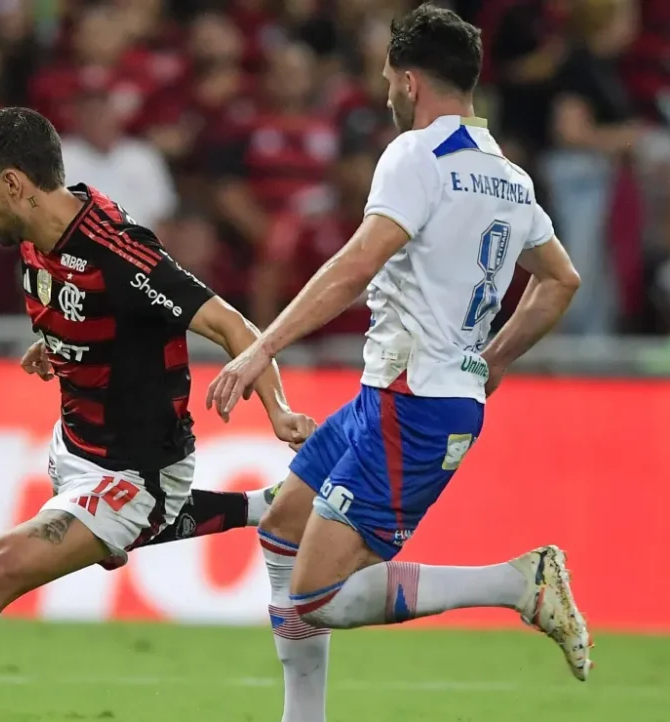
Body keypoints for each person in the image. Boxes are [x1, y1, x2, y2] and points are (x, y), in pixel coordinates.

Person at [0, 106, 318, 722]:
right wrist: (60, 340)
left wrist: (278, 411)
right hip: (74, 449)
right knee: (87, 540)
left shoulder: (117, 253)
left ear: (14, 183)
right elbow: (83, 307)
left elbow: (234, 326)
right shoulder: (39, 235)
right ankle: (268, 505)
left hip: (134, 474)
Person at [205, 6, 589, 722]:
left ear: (410, 81)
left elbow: (356, 265)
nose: (385, 88)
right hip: (399, 390)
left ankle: (516, 584)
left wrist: (262, 346)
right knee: (283, 528)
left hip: (414, 404)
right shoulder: (509, 176)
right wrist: (492, 359)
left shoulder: (416, 156)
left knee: (317, 595)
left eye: (387, 76)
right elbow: (560, 277)